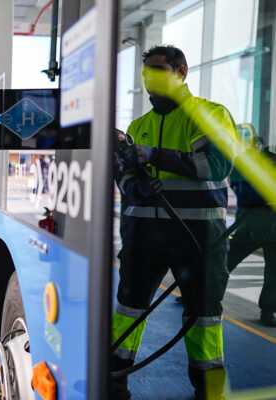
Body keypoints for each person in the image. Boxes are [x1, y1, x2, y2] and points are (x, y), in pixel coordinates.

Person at [111, 45, 236, 400]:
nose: (151, 77)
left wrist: (156, 156)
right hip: (143, 236)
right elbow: (121, 176)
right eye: (147, 71)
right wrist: (136, 187)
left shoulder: (209, 114)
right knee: (128, 309)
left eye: (159, 69)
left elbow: (217, 165)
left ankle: (209, 389)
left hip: (198, 237)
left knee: (204, 316)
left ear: (181, 72)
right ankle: (114, 378)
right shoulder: (138, 126)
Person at [227, 136, 276, 327]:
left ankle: (268, 310)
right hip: (250, 228)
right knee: (224, 263)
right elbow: (241, 189)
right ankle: (200, 295)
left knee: (274, 273)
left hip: (272, 231)